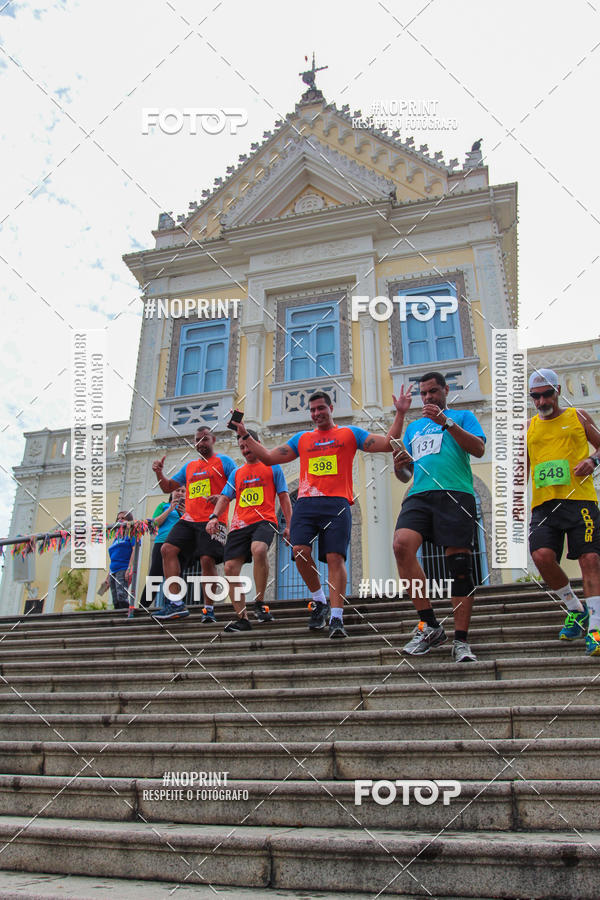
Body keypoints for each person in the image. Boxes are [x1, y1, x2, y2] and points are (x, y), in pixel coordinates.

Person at [232, 388, 412, 639]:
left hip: (337, 504)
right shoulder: (302, 439)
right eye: (313, 410)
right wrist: (244, 434)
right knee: (299, 551)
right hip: (306, 504)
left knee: (335, 558)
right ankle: (319, 600)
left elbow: (386, 444)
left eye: (321, 409)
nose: (317, 414)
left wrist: (400, 413)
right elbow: (270, 458)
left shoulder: (349, 434)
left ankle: (336, 618)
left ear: (331, 409)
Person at [392, 372, 486, 663]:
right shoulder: (415, 427)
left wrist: (446, 422)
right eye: (424, 393)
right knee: (401, 545)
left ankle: (460, 641)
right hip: (420, 493)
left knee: (459, 565)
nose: (429, 397)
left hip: (455, 493)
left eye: (434, 391)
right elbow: (404, 473)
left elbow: (479, 448)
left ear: (446, 390)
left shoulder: (463, 416)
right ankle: (430, 624)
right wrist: (400, 465)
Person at [527, 368, 600, 656]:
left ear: (558, 391)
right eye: (536, 396)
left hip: (579, 500)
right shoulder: (529, 427)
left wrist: (592, 462)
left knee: (590, 558)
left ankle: (595, 628)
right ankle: (575, 608)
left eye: (547, 394)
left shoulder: (578, 416)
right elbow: (521, 468)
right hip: (544, 504)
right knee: (541, 557)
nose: (542, 401)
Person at [207, 429, 292, 633]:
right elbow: (225, 498)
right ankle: (242, 618)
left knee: (259, 549)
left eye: (248, 445)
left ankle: (260, 602)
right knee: (229, 569)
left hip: (264, 520)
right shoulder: (236, 473)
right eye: (242, 447)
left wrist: (290, 525)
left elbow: (284, 497)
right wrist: (214, 517)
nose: (245, 450)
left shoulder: (272, 468)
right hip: (239, 525)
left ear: (257, 443)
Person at [151, 427, 236, 621]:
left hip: (214, 519)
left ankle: (208, 609)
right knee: (167, 549)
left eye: (204, 439)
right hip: (189, 519)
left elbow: (239, 484)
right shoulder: (189, 467)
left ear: (213, 440)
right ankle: (175, 603)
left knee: (207, 560)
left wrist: (224, 497)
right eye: (197, 440)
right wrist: (159, 472)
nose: (200, 443)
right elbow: (167, 487)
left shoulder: (225, 462)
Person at [139, 485, 186, 610]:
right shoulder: (163, 506)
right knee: (155, 574)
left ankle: (174, 604)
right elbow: (154, 523)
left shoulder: (188, 509)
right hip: (162, 542)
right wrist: (170, 509)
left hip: (180, 544)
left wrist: (185, 512)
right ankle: (143, 606)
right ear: (172, 493)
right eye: (177, 490)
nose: (180, 493)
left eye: (183, 491)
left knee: (177, 575)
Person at [100, 511, 137, 613]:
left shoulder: (131, 534)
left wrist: (129, 568)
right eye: (118, 518)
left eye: (123, 518)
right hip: (113, 571)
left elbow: (135, 550)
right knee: (115, 598)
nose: (120, 520)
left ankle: (127, 616)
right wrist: (107, 578)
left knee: (121, 595)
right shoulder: (117, 537)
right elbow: (113, 558)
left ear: (129, 520)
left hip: (123, 568)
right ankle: (118, 617)